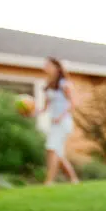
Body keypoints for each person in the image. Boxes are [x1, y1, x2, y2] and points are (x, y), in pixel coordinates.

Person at [38, 57, 80, 185]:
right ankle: (74, 180)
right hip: (54, 123)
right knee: (58, 153)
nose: (45, 67)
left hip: (63, 122)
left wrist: (60, 117)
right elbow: (44, 108)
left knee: (52, 149)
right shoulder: (48, 86)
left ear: (57, 68)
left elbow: (73, 103)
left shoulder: (64, 84)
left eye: (48, 65)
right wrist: (30, 112)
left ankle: (49, 181)